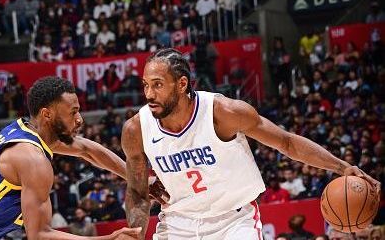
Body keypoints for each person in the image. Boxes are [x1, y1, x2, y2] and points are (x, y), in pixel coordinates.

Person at [121, 48, 381, 240]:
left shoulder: (223, 112)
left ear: (181, 84)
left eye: (157, 85)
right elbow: (136, 193)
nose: (149, 94)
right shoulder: (136, 129)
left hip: (233, 222)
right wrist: (135, 231)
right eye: (145, 85)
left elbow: (287, 143)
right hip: (176, 225)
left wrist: (342, 167)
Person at [0, 76, 166, 240]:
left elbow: (87, 149)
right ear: (47, 114)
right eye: (72, 112)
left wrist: (140, 180)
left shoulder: (26, 130)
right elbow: (39, 234)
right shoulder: (32, 160)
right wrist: (108, 239)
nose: (80, 119)